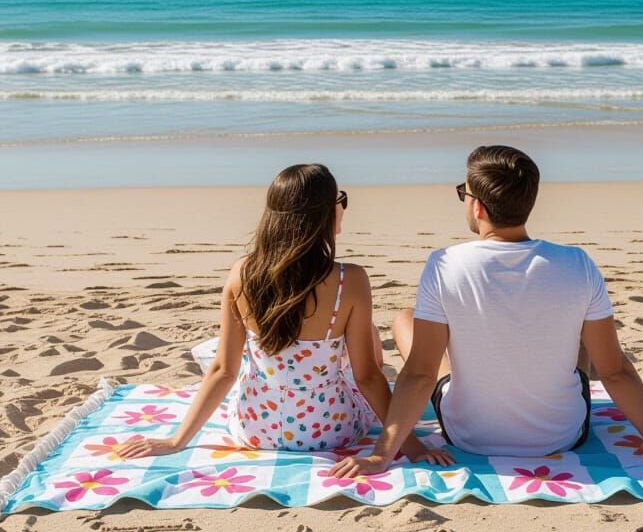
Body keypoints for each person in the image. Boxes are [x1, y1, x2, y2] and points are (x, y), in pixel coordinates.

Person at [330, 145, 643, 478]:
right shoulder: (578, 264)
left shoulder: (445, 264)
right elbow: (615, 371)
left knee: (407, 319)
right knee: (580, 333)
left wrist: (382, 455)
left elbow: (419, 375)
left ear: (478, 206)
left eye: (464, 193)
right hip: (560, 435)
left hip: (468, 435)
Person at [117, 163, 454, 465]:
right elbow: (367, 376)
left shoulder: (242, 274)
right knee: (366, 347)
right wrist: (411, 447)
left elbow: (223, 371)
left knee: (233, 355)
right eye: (340, 200)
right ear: (326, 213)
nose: (342, 208)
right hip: (331, 429)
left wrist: (177, 441)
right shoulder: (348, 280)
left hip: (255, 429)